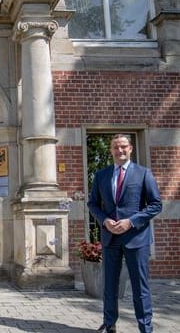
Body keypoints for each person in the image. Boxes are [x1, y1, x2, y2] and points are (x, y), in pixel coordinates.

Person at [88, 134, 162, 333]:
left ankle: (145, 327)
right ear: (111, 150)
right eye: (115, 147)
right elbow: (93, 204)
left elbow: (156, 205)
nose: (119, 150)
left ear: (130, 148)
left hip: (136, 238)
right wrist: (104, 220)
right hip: (110, 237)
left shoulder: (143, 173)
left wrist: (131, 222)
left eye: (123, 147)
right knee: (109, 286)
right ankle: (109, 323)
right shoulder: (101, 175)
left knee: (140, 287)